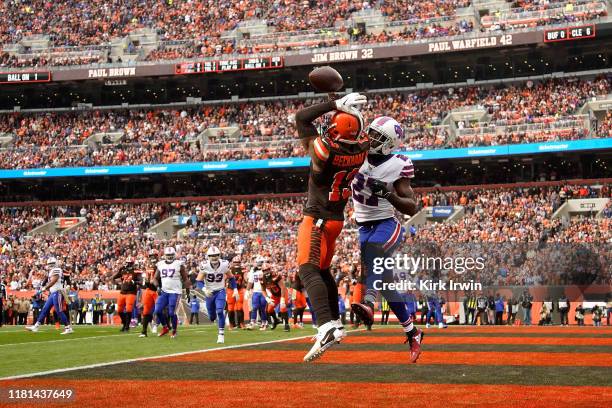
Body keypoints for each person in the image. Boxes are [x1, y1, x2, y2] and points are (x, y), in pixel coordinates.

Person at [295, 92, 369, 362]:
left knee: (307, 269)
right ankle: (336, 323)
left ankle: (325, 326)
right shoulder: (361, 148)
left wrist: (334, 104)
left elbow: (302, 118)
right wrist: (342, 108)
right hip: (336, 219)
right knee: (323, 270)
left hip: (317, 218)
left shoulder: (323, 150)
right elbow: (357, 128)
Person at [196, 246, 238, 343]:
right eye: (212, 256)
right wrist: (204, 289)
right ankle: (214, 319)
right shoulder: (205, 265)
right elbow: (198, 280)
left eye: (216, 255)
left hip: (220, 291)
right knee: (212, 316)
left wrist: (235, 289)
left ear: (219, 255)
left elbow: (231, 277)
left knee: (220, 311)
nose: (214, 257)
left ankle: (221, 334)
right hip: (209, 293)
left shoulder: (224, 264)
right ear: (208, 256)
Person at [25, 257, 73, 334]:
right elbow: (50, 280)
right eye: (50, 264)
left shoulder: (56, 270)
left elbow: (54, 280)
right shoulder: (51, 271)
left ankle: (68, 327)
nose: (51, 265)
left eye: (52, 264)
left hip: (58, 292)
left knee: (59, 311)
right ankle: (36, 326)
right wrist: (45, 287)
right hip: (53, 293)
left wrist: (46, 287)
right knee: (45, 309)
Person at [154, 247, 191, 338]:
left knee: (171, 313)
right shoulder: (161, 264)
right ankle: (165, 327)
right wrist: (157, 287)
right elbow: (155, 278)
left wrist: (187, 292)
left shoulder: (179, 264)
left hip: (175, 292)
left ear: (174, 255)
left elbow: (186, 279)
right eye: (168, 255)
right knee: (157, 311)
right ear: (165, 255)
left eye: (171, 255)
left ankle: (174, 330)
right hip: (164, 291)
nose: (170, 257)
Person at [110, 258, 141, 332]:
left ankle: (127, 326)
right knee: (119, 310)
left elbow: (140, 281)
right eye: (128, 263)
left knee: (128, 309)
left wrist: (136, 282)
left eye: (130, 263)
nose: (129, 264)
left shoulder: (136, 270)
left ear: (133, 263)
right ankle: (124, 323)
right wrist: (117, 284)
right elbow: (113, 277)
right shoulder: (122, 269)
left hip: (131, 292)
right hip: (122, 292)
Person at [139, 250, 159, 337]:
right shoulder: (148, 265)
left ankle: (156, 323)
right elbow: (145, 279)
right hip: (148, 289)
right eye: (151, 255)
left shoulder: (161, 265)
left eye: (154, 255)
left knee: (159, 309)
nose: (152, 257)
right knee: (146, 310)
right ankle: (144, 331)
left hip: (157, 290)